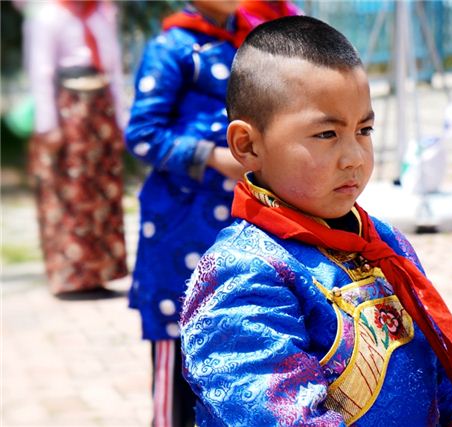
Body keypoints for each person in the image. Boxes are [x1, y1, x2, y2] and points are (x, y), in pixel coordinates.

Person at [179, 16, 452, 427]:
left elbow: (442, 373)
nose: (354, 156)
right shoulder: (244, 272)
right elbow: (280, 416)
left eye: (364, 129)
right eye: (326, 135)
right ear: (247, 145)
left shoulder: (384, 242)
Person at [125, 1, 297, 425]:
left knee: (232, 341)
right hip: (181, 223)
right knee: (176, 350)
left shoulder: (253, 40)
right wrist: (213, 156)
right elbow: (142, 135)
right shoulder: (173, 47)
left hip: (239, 220)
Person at [24, 0, 128, 295]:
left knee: (102, 190)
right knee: (71, 191)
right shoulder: (47, 15)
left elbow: (114, 68)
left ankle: (99, 274)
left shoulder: (102, 12)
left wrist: (120, 120)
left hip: (100, 109)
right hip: (67, 109)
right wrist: (48, 125)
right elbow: (40, 73)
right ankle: (72, 277)